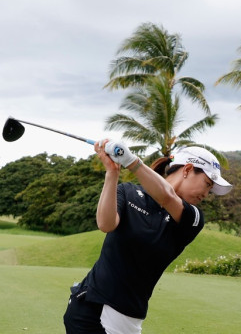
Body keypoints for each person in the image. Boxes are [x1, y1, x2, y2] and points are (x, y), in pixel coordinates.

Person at [63, 139, 232, 334]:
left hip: (129, 317)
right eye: (207, 184)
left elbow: (167, 196)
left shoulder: (193, 218)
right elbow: (105, 224)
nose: (207, 193)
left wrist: (131, 161)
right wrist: (112, 173)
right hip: (94, 308)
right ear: (187, 170)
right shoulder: (128, 192)